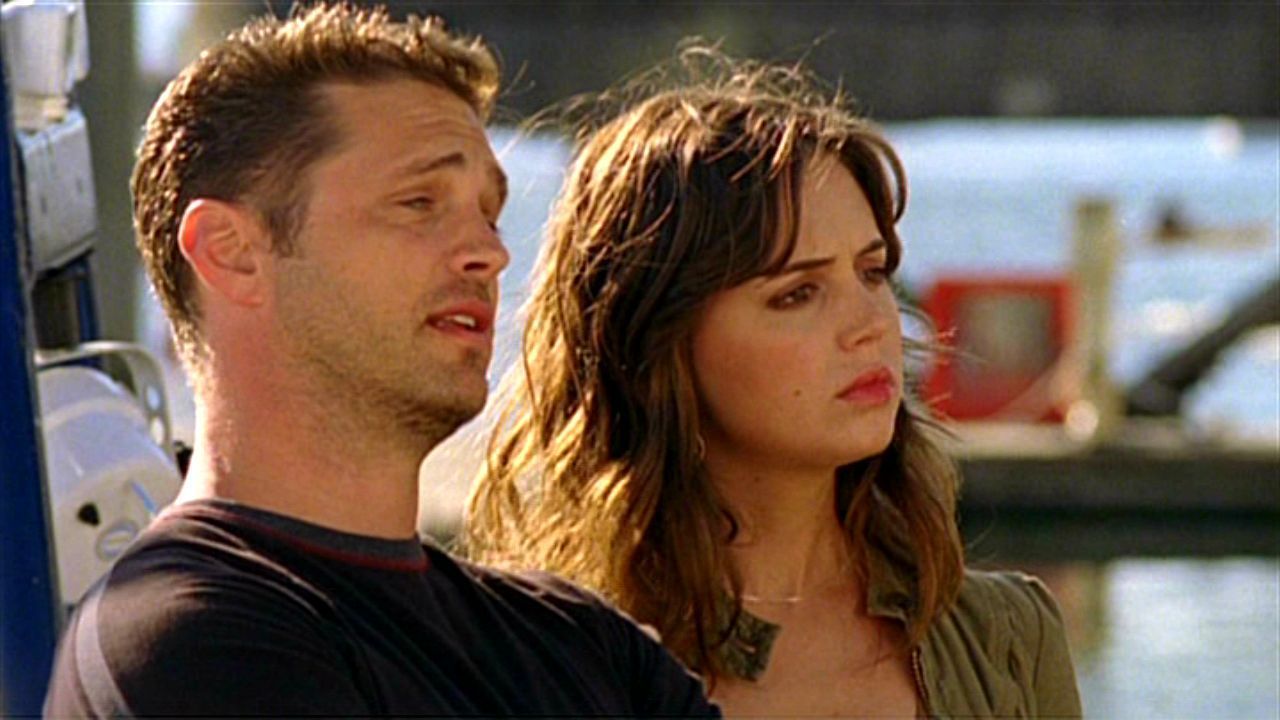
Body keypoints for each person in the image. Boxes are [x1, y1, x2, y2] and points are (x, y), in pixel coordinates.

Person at [43, 5, 717, 717]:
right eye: (419, 202)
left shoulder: (584, 646)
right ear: (231, 252)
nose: (490, 253)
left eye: (488, 214)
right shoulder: (186, 637)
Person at [468, 50, 1083, 717]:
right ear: (658, 339)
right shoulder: (544, 663)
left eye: (872, 273)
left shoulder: (1004, 641)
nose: (871, 324)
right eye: (797, 294)